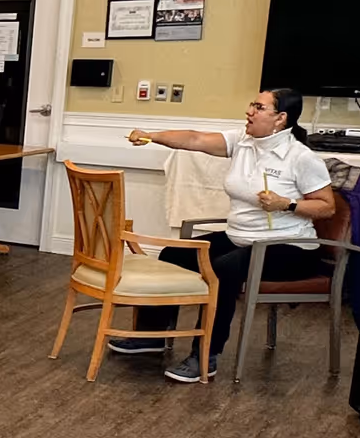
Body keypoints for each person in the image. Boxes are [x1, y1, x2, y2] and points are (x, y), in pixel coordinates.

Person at [124, 86, 336, 383]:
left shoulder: (301, 157)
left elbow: (327, 208)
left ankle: (205, 357)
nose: (250, 111)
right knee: (173, 255)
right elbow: (195, 139)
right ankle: (152, 336)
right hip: (242, 238)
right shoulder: (243, 141)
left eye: (259, 107)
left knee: (224, 269)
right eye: (252, 104)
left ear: (280, 118)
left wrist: (285, 204)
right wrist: (151, 136)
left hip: (290, 248)